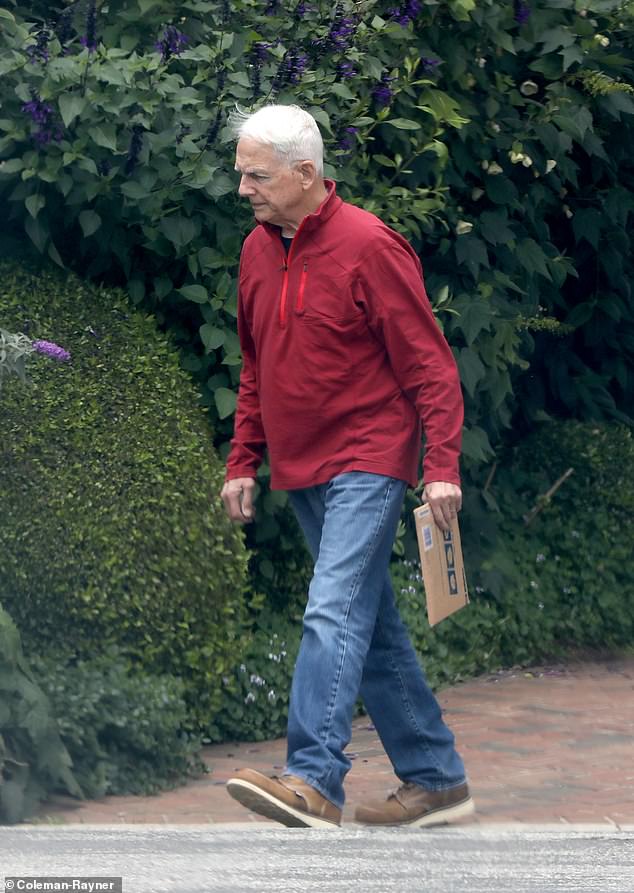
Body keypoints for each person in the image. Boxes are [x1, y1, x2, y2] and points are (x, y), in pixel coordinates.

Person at [221, 104, 474, 829]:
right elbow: (255, 365)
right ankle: (436, 776)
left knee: (331, 605)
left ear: (307, 173)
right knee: (374, 625)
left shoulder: (370, 246)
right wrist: (244, 457)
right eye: (240, 173)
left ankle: (313, 777)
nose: (244, 189)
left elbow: (432, 366)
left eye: (257, 175)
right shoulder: (255, 251)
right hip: (301, 467)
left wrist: (442, 464)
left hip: (368, 455)